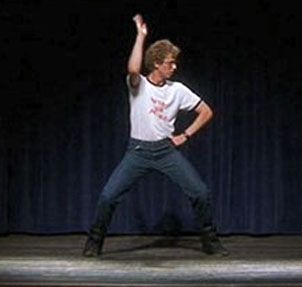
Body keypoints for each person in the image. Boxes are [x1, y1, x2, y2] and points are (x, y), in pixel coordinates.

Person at [82, 13, 228, 257]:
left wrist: (186, 135)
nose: (174, 66)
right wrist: (140, 36)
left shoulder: (178, 90)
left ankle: (210, 240)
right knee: (108, 196)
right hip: (138, 152)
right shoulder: (138, 85)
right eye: (170, 62)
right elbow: (132, 68)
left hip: (165, 151)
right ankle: (95, 241)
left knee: (200, 192)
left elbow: (206, 111)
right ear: (157, 63)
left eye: (174, 62)